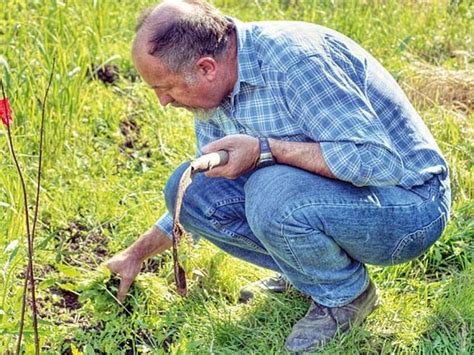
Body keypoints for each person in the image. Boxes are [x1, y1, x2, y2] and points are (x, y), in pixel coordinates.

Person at [106, 0, 451, 351]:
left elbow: (377, 162)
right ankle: (309, 274)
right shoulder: (212, 91)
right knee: (195, 191)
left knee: (269, 190)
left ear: (206, 67)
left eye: (166, 87)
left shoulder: (296, 62)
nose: (164, 101)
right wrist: (136, 253)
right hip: (336, 195)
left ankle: (346, 297)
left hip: (408, 206)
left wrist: (266, 150)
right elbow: (208, 187)